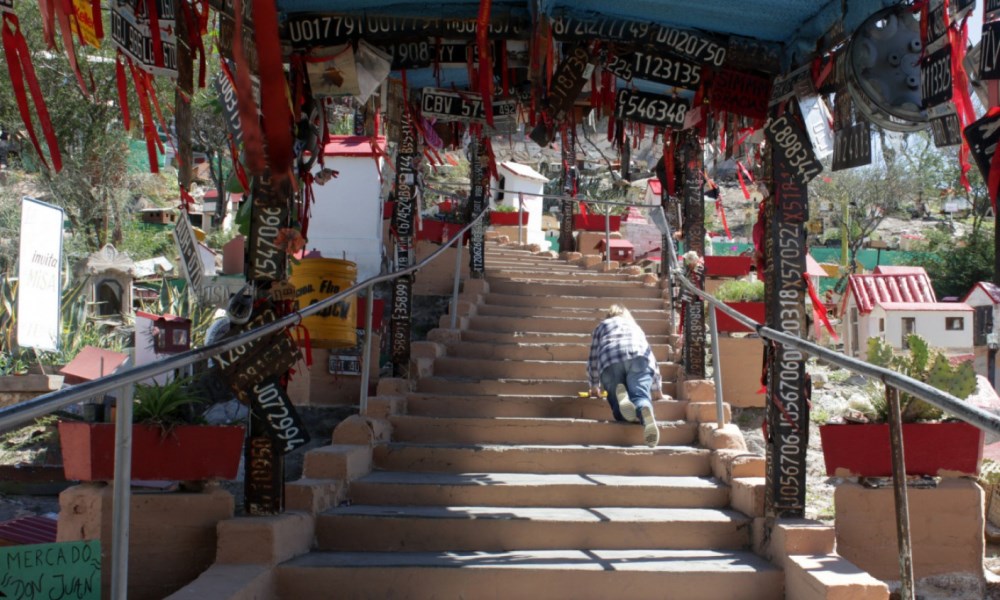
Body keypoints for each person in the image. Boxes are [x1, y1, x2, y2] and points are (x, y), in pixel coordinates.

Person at [587, 304, 661, 447]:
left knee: (617, 405)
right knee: (640, 396)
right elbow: (650, 355)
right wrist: (658, 390)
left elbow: (593, 358)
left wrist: (594, 385)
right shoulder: (635, 327)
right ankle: (644, 409)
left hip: (610, 359)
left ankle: (623, 406)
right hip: (639, 356)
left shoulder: (602, 326)